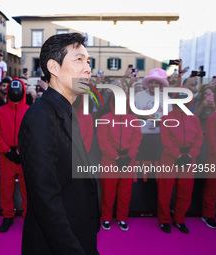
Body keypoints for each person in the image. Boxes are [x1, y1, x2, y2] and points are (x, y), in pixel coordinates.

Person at [18, 32, 99, 255]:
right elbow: (46, 198)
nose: (88, 69)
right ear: (54, 67)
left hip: (78, 232)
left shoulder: (64, 111)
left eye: (89, 61)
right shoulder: (41, 117)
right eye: (79, 59)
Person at [157, 89, 203, 234]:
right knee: (165, 192)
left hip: (189, 159)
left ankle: (179, 219)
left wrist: (190, 155)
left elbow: (199, 139)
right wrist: (177, 155)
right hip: (170, 159)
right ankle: (164, 220)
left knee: (185, 192)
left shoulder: (194, 119)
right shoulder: (166, 118)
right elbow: (165, 139)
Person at [97, 94, 142, 232]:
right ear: (113, 102)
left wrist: (129, 156)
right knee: (108, 192)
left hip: (128, 160)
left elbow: (137, 139)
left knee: (125, 191)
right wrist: (116, 157)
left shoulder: (133, 120)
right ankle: (106, 218)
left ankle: (122, 218)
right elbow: (103, 141)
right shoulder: (105, 119)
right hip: (110, 161)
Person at [0, 78, 28, 233]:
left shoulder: (29, 110)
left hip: (24, 157)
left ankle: (28, 217)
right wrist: (7, 150)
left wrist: (21, 151)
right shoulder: (1, 111)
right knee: (6, 189)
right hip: (6, 156)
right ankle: (8, 216)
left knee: (27, 190)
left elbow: (32, 134)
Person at [201, 90, 216, 229]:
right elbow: (211, 141)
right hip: (215, 158)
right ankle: (208, 215)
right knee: (212, 188)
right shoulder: (213, 118)